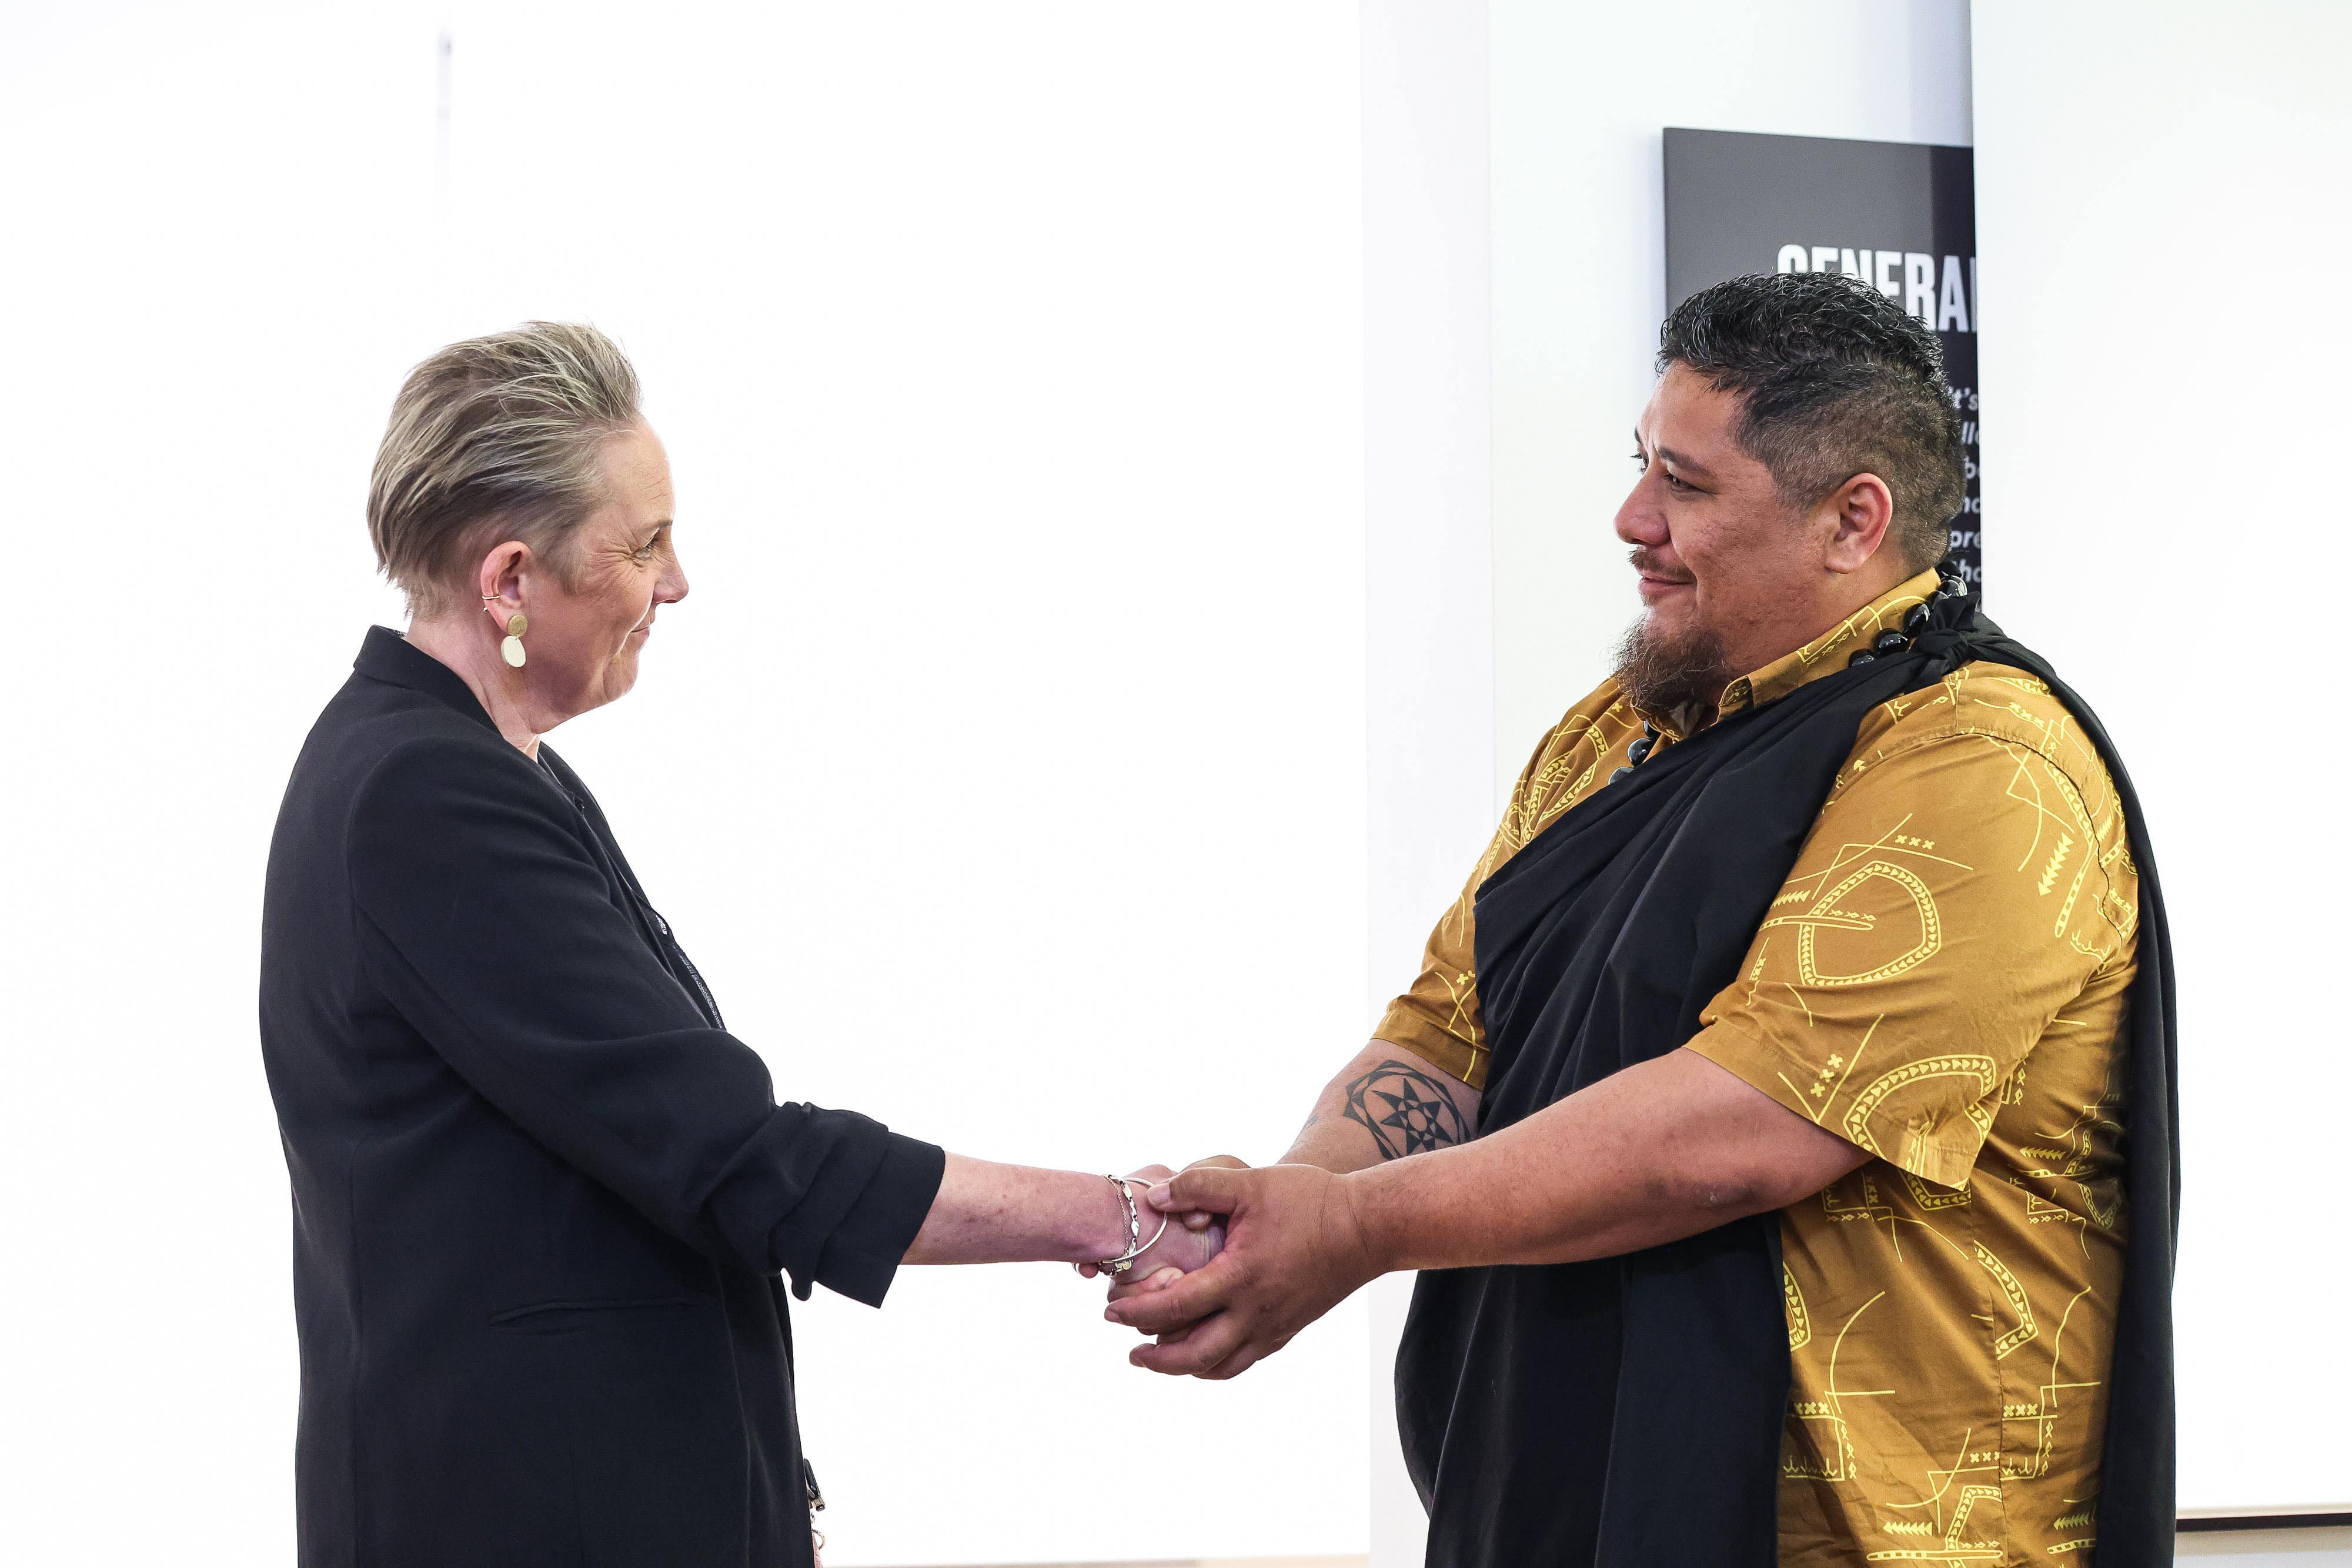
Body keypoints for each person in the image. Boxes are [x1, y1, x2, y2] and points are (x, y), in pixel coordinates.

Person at [1109, 272, 2179, 1567]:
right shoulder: (1614, 733)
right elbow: (1450, 1031)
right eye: (1640, 466)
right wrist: (1298, 1193)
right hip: (1560, 1499)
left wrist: (1351, 1229)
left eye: (1685, 483)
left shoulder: (1982, 764)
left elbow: (1741, 1130)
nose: (1630, 520)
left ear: (1852, 520)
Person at [258, 322, 1215, 1568]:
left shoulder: (473, 767)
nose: (675, 581)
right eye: (642, 541)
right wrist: (1113, 1216)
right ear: (508, 581)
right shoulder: (421, 795)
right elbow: (733, 1153)